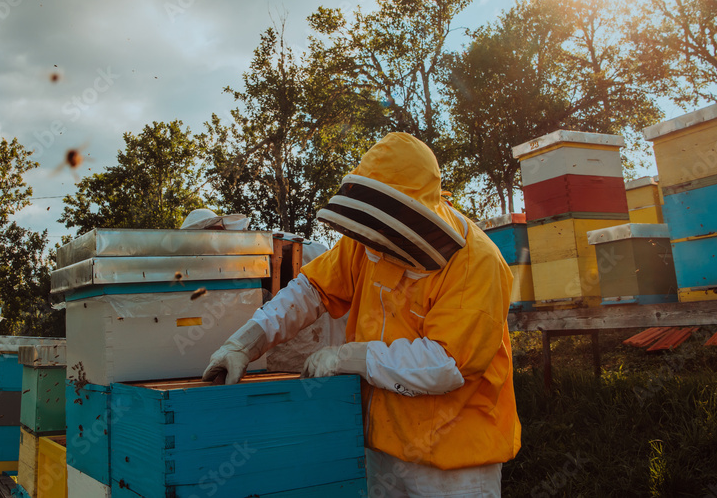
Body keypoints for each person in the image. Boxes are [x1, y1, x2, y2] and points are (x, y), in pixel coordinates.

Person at [202, 132, 520, 497]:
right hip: (382, 447)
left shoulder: (477, 263)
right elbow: (311, 291)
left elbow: (447, 365)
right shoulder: (365, 241)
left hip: (455, 464)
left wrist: (348, 358)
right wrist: (245, 343)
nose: (379, 243)